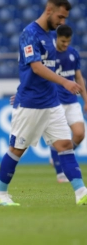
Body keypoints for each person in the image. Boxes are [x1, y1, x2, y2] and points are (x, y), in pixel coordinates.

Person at [0, 0, 87, 206]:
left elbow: (44, 69)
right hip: (31, 103)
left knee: (64, 144)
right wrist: (64, 82)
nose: (62, 21)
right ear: (49, 10)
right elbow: (35, 67)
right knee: (17, 149)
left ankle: (81, 192)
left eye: (65, 17)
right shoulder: (30, 33)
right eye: (60, 16)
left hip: (51, 102)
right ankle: (0, 192)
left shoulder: (49, 36)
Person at [49, 24, 87, 183]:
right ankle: (61, 173)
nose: (66, 44)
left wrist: (85, 99)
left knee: (79, 133)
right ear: (57, 38)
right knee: (58, 138)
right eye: (63, 41)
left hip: (71, 101)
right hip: (55, 101)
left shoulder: (73, 53)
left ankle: (59, 155)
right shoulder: (49, 54)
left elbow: (78, 77)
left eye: (68, 41)